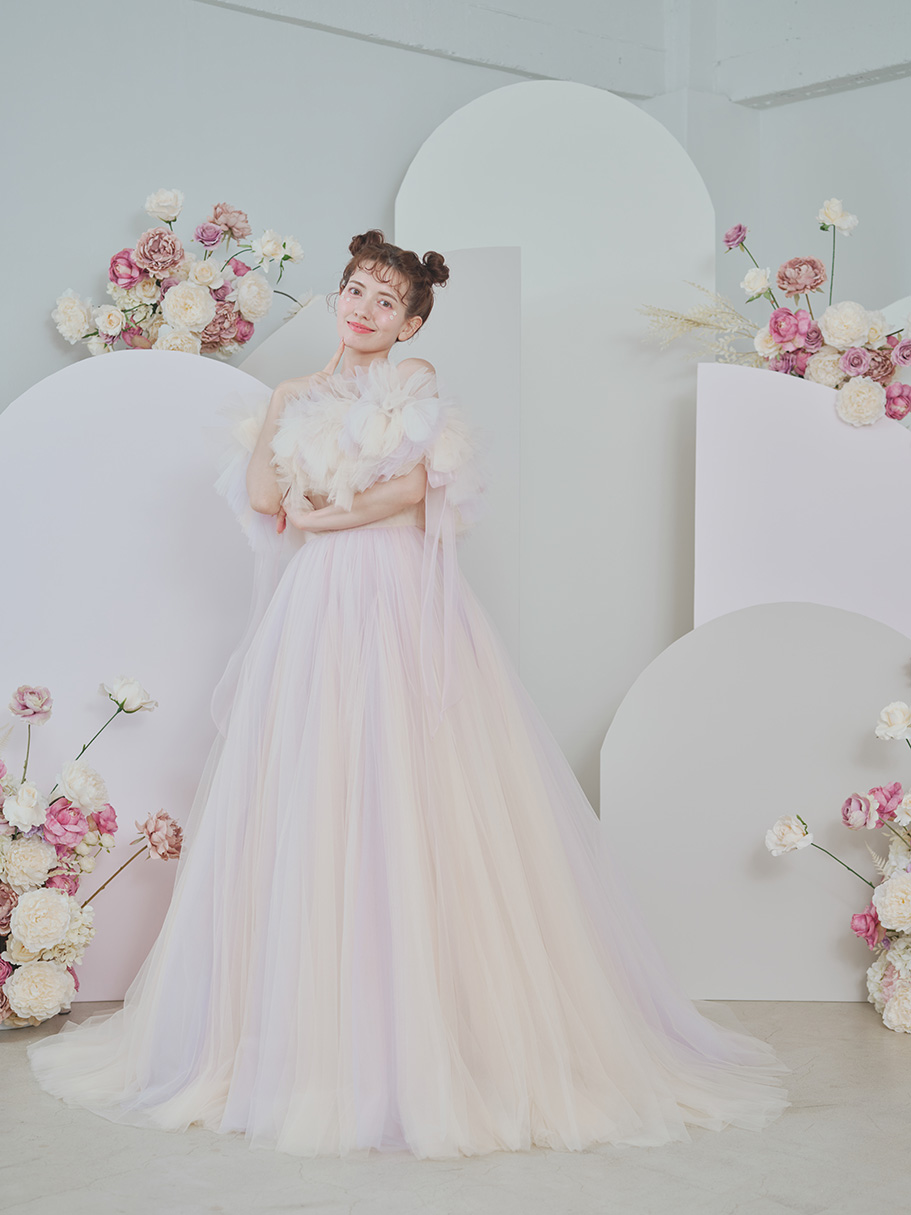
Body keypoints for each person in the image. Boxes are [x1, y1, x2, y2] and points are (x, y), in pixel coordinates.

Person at [26, 229, 790, 1159]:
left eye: (385, 300)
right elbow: (264, 498)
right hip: (317, 606)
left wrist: (325, 517)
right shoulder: (295, 394)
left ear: (410, 322)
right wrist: (280, 421)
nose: (364, 308)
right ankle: (314, 1038)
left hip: (392, 593)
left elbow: (422, 483)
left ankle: (431, 1032)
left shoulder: (412, 379)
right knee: (318, 784)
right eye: (355, 290)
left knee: (417, 777)